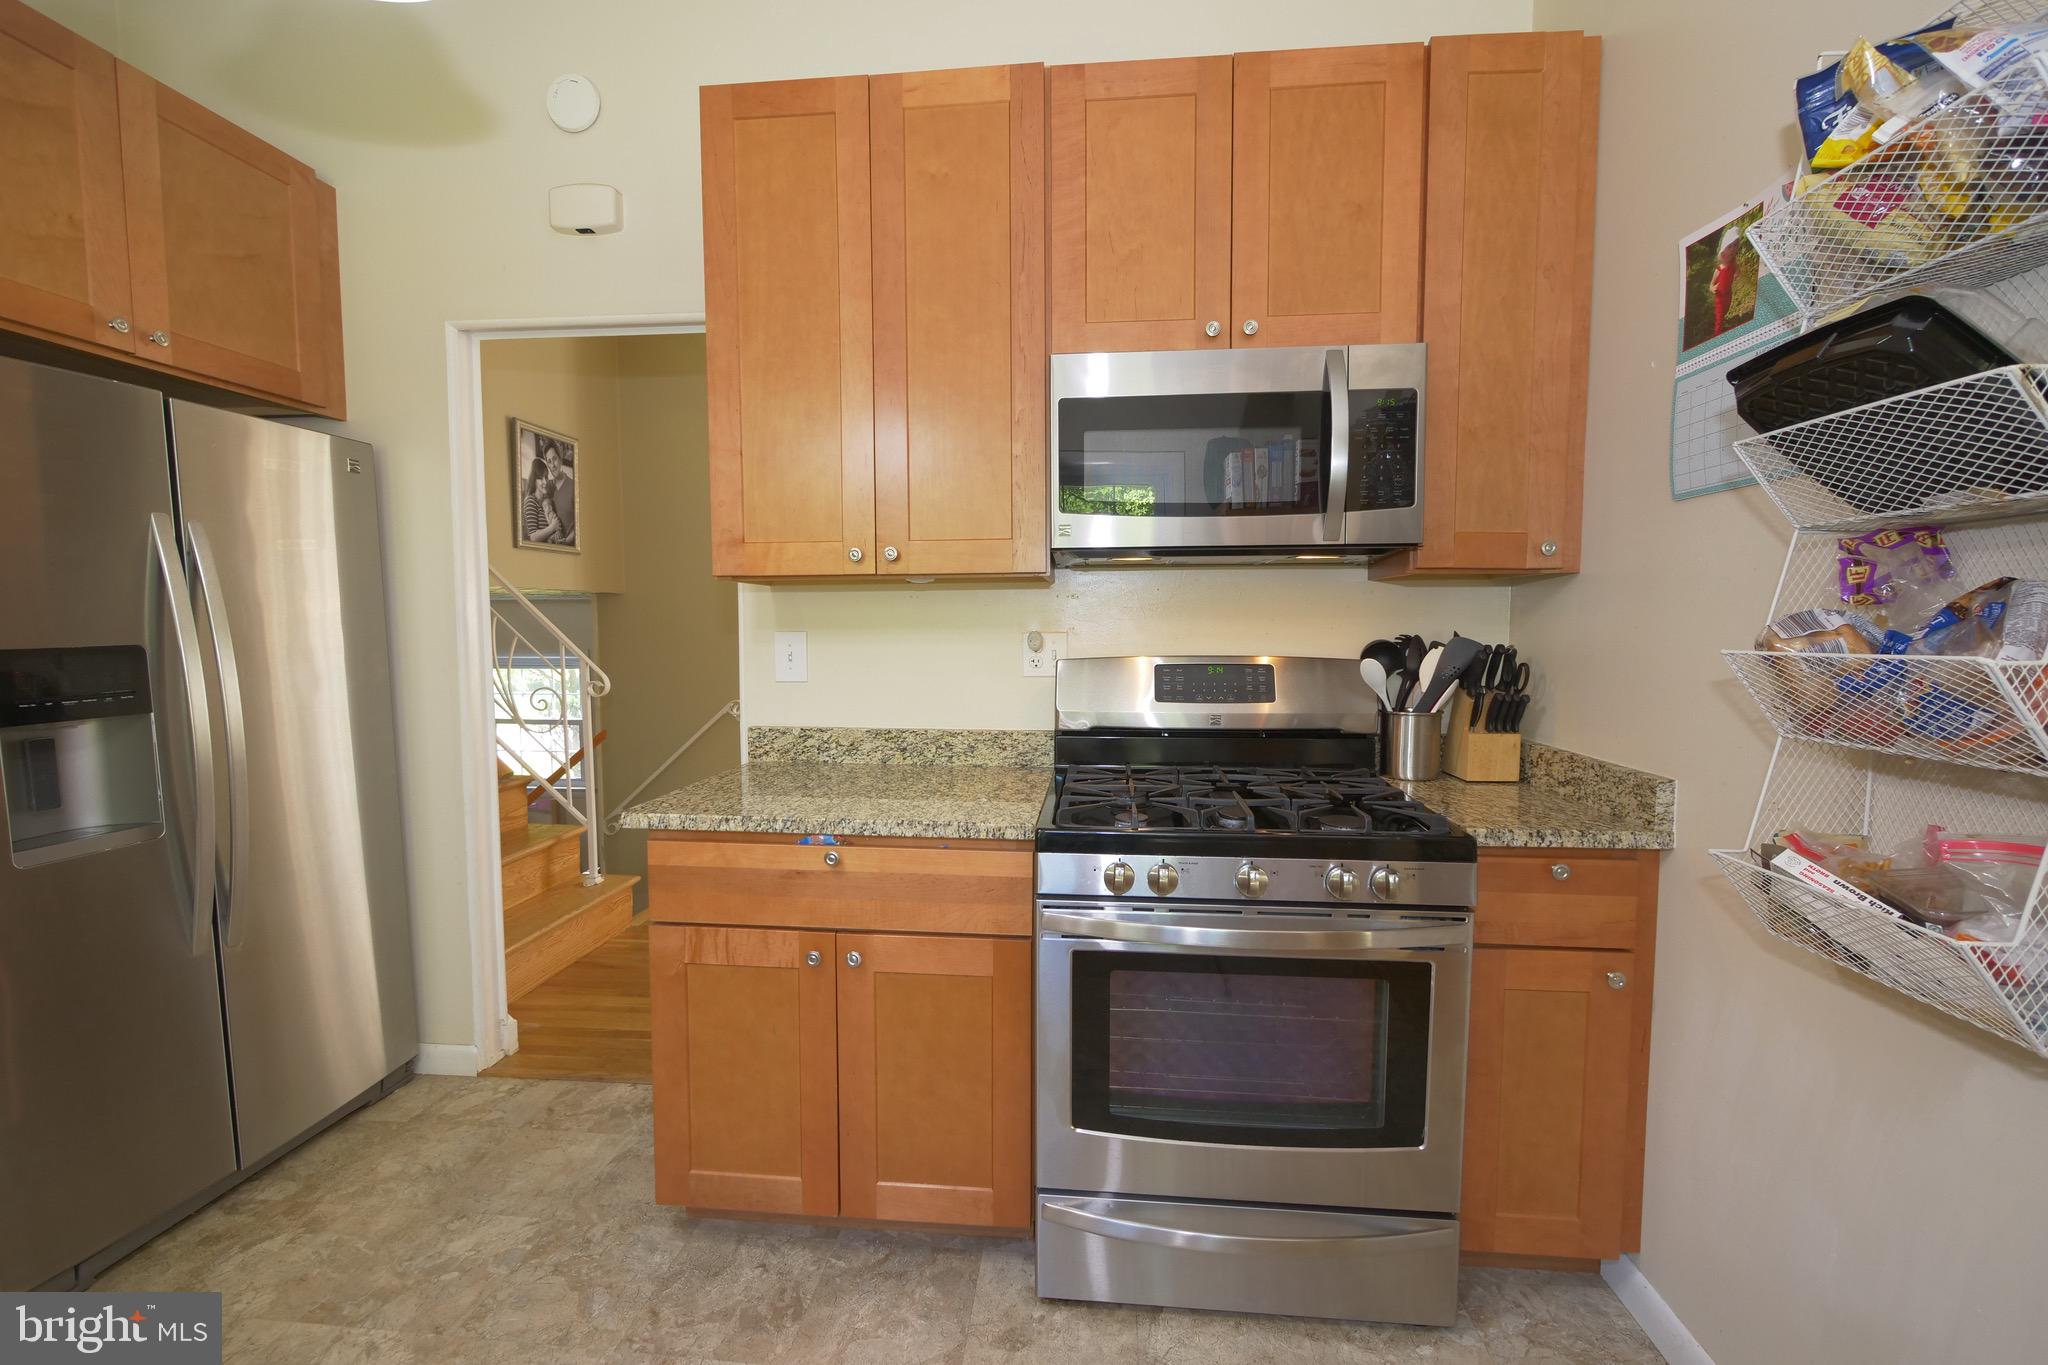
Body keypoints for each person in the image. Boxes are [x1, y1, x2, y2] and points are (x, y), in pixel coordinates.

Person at [520, 447, 559, 543]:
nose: (545, 482)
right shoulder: (530, 501)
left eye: (545, 477)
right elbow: (533, 537)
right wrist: (553, 527)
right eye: (540, 478)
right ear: (534, 480)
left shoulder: (547, 501)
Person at [544, 439, 576, 545]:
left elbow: (580, 524)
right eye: (549, 461)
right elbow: (546, 506)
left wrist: (566, 542)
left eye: (554, 459)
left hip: (570, 547)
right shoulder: (547, 485)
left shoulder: (573, 486)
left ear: (560, 459)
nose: (553, 465)